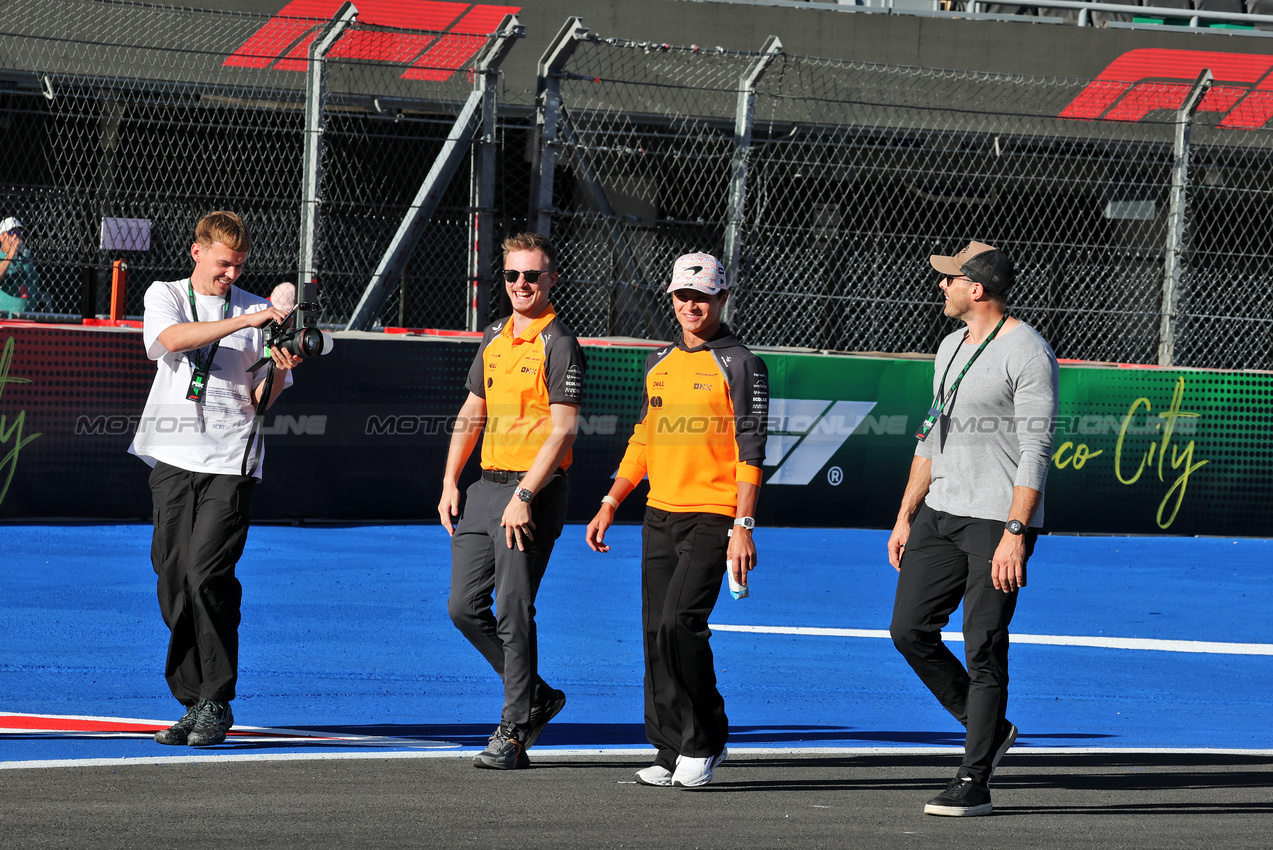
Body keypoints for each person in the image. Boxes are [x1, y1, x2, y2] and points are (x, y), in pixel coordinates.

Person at [887, 240, 1059, 817]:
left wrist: (1016, 531)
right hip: (941, 511)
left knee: (983, 644)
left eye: (951, 279)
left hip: (996, 521)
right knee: (908, 630)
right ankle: (990, 726)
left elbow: (1036, 449)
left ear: (976, 289)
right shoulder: (949, 345)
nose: (942, 285)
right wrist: (906, 513)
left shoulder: (1028, 352)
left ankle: (974, 777)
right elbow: (932, 432)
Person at [586, 252, 768, 790]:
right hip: (658, 514)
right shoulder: (659, 362)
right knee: (653, 633)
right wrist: (611, 501)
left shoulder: (741, 362)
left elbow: (752, 449)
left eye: (702, 297)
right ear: (671, 299)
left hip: (713, 517)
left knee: (679, 624)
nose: (691, 305)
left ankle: (705, 740)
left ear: (722, 299)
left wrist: (743, 525)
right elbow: (643, 439)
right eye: (682, 296)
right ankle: (668, 746)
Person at [129, 211, 302, 747]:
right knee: (173, 577)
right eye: (224, 264)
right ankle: (192, 700)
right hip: (173, 456)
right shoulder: (166, 294)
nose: (231, 274)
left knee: (207, 574)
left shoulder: (256, 309)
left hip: (231, 459)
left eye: (240, 266)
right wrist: (246, 323)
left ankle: (215, 699)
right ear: (197, 252)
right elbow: (173, 340)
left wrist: (279, 364)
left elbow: (260, 398)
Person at [439, 232, 585, 770]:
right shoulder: (495, 334)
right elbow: (472, 411)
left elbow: (563, 430)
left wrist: (525, 493)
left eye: (532, 275)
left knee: (513, 610)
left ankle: (516, 726)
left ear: (551, 280)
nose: (521, 284)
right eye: (512, 275)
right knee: (463, 607)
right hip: (485, 488)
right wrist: (451, 480)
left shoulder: (559, 342)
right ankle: (536, 696)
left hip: (533, 493)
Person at [0, 217, 43, 314]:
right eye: (11, 233)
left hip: (29, 315)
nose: (16, 236)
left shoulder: (26, 257)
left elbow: (35, 283)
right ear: (1, 238)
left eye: (18, 232)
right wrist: (11, 252)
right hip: (5, 317)